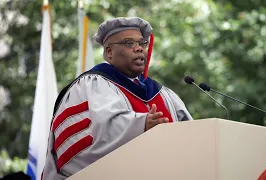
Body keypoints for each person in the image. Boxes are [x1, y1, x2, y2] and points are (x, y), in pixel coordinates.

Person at [42, 17, 193, 179]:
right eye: (129, 43)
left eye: (142, 43)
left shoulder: (164, 94)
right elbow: (96, 136)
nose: (139, 49)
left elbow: (192, 138)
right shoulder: (90, 85)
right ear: (109, 52)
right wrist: (141, 125)